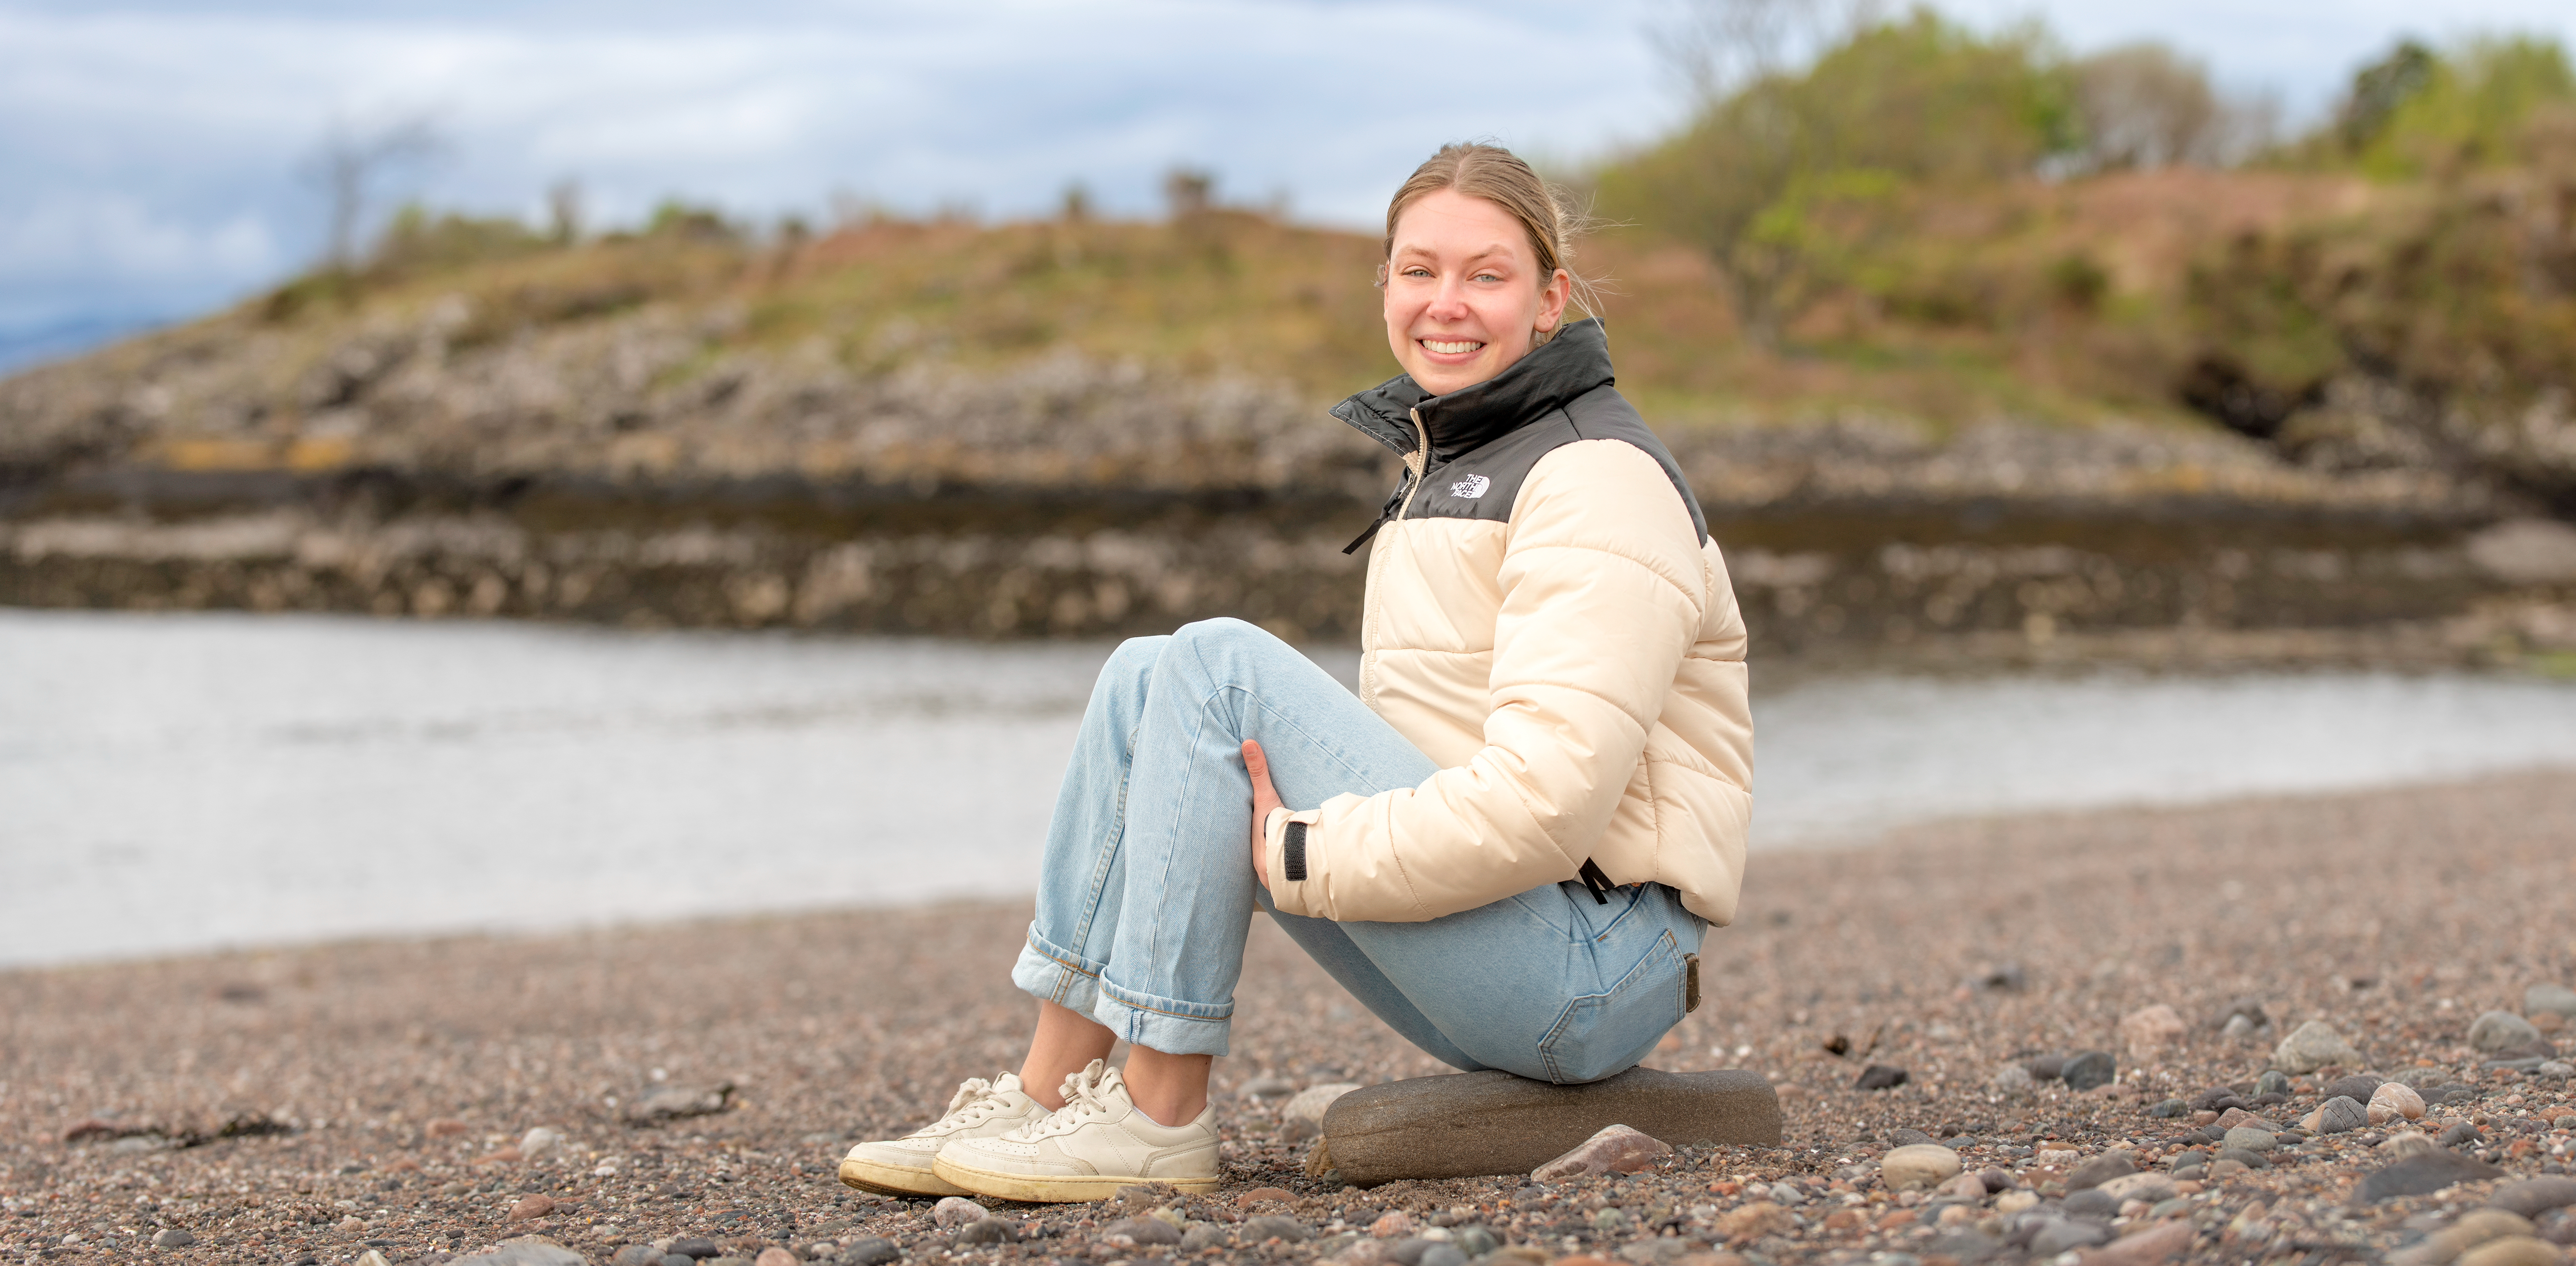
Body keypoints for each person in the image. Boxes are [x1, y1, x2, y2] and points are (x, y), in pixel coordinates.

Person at [836, 142, 1753, 1204]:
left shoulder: (1595, 477)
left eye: (1485, 276)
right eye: (1418, 271)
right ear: (1386, 286)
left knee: (1218, 667)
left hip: (1595, 965)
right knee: (1149, 672)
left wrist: (1298, 848)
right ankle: (1051, 1092)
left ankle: (1158, 1112)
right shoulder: (1453, 462)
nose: (1444, 304)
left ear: (1551, 300)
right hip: (1521, 926)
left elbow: (1549, 806)